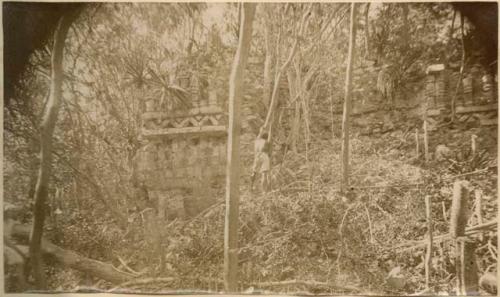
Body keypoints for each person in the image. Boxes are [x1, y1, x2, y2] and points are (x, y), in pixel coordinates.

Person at [251, 127, 271, 192]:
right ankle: (264, 191)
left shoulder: (256, 141)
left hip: (257, 156)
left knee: (254, 172)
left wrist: (261, 130)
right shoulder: (266, 142)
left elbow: (258, 135)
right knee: (264, 174)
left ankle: (251, 186)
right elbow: (269, 152)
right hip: (264, 155)